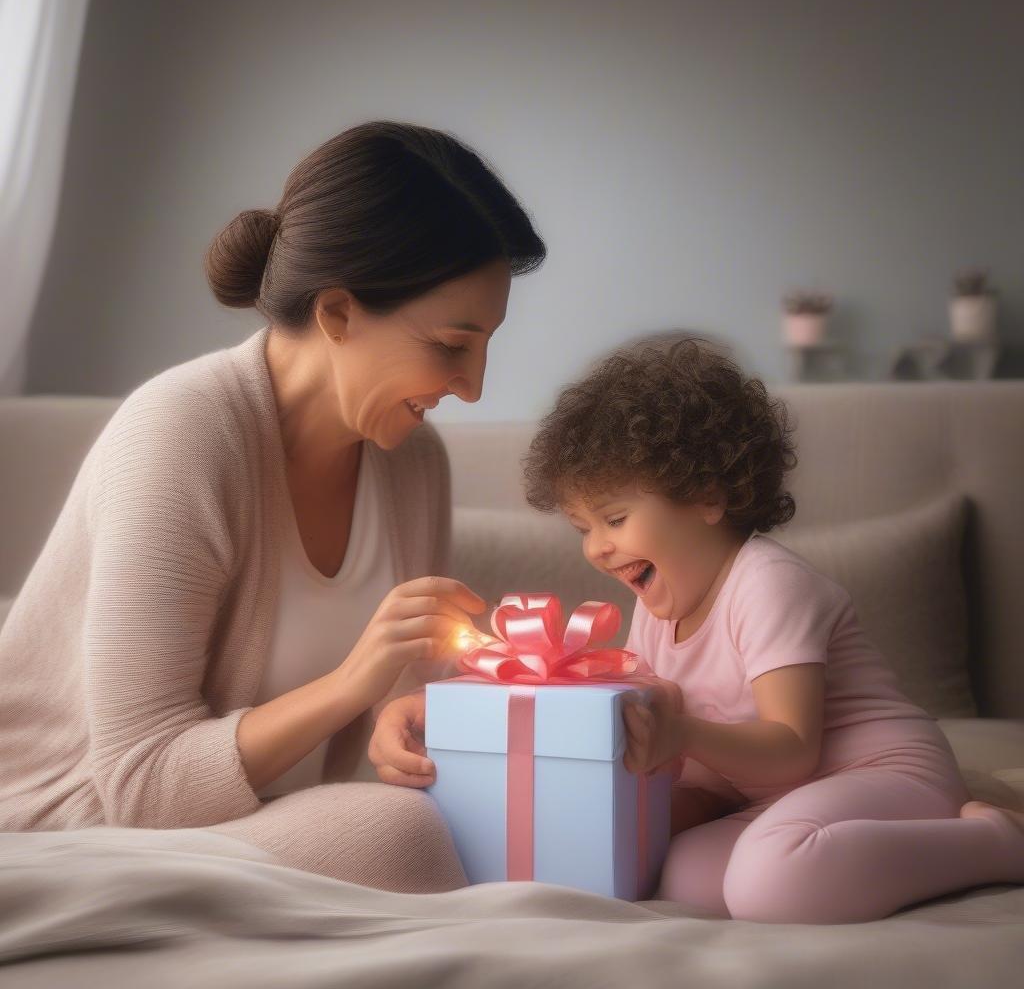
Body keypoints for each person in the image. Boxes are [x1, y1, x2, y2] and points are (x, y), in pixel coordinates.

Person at [0, 120, 544, 893]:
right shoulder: (181, 433)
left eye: (486, 346)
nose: (474, 387)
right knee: (400, 838)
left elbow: (387, 747)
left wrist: (414, 721)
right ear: (338, 313)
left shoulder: (413, 460)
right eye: (453, 345)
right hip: (81, 822)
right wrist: (354, 684)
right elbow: (142, 782)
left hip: (272, 826)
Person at [371, 334, 1024, 919]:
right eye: (583, 529)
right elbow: (683, 762)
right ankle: (819, 853)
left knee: (773, 882)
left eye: (615, 518)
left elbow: (793, 747)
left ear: (708, 496)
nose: (596, 548)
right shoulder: (655, 611)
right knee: (679, 876)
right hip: (781, 800)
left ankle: (994, 841)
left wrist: (680, 735)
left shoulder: (766, 582)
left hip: (886, 772)